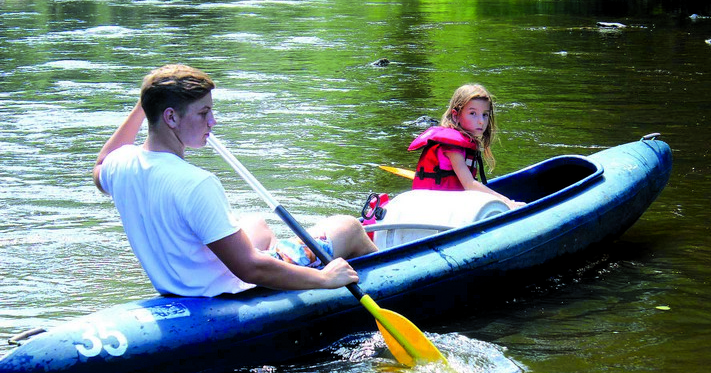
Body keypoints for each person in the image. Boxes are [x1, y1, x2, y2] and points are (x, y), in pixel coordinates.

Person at [93, 64, 377, 298]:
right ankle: (392, 282)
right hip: (230, 289)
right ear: (170, 117)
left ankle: (287, 268)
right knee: (349, 227)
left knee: (256, 225)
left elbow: (101, 162)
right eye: (204, 113)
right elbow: (250, 269)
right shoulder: (196, 183)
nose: (213, 122)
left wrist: (146, 102)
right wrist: (324, 278)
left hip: (181, 281)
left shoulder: (121, 164)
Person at [408, 84, 525, 209]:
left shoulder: (464, 143)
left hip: (449, 204)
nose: (481, 121)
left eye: (485, 114)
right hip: (434, 207)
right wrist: (506, 202)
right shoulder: (453, 149)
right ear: (455, 115)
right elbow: (469, 184)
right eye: (473, 113)